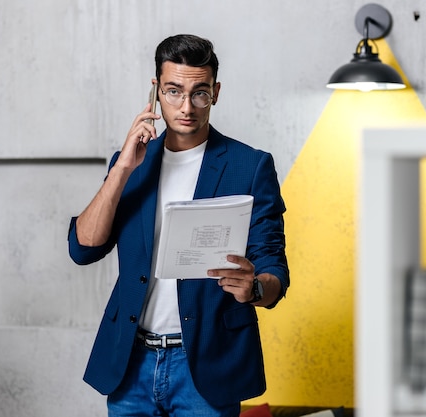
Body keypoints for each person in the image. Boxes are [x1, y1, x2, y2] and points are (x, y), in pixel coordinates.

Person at [68, 34, 289, 417]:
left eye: (199, 93)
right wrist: (122, 169)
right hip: (131, 363)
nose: (187, 106)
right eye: (173, 91)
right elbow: (82, 248)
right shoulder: (130, 164)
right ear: (156, 91)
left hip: (207, 366)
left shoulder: (250, 166)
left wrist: (253, 287)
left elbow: (274, 269)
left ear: (215, 92)